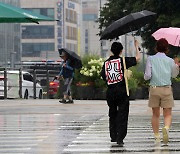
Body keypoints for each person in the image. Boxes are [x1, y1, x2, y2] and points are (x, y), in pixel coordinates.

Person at [101, 40, 140, 145]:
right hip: (122, 91)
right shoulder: (123, 60)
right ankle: (120, 137)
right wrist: (137, 47)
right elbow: (137, 59)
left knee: (112, 113)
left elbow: (104, 77)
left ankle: (113, 135)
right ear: (121, 51)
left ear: (111, 50)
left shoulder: (106, 63)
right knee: (123, 114)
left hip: (110, 92)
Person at [144, 38, 179, 145]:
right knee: (167, 114)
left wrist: (146, 76)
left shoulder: (150, 59)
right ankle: (166, 128)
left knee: (155, 114)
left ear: (156, 47)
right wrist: (177, 66)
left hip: (154, 89)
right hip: (167, 89)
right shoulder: (170, 61)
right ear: (167, 48)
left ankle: (157, 136)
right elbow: (174, 75)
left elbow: (147, 76)